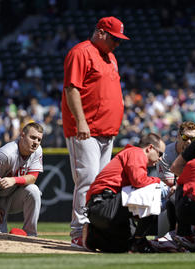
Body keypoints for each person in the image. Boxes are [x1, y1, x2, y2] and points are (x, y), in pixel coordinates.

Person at [61, 16, 129, 247]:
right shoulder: (81, 52)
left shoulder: (111, 57)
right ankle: (79, 231)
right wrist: (81, 121)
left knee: (101, 186)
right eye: (114, 39)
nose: (117, 44)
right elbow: (72, 89)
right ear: (100, 32)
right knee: (88, 180)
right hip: (86, 130)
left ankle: (95, 231)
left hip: (106, 131)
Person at [85, 133, 165, 253]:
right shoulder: (136, 152)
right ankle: (139, 241)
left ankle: (93, 236)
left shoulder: (134, 154)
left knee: (125, 246)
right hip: (103, 204)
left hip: (104, 210)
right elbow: (139, 181)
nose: (160, 158)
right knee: (152, 190)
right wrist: (160, 182)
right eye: (160, 154)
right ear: (150, 148)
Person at [0, 122, 43, 236]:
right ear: (22, 135)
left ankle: (31, 233)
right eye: (32, 137)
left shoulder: (37, 151)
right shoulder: (6, 154)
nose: (36, 142)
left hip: (13, 193)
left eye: (39, 139)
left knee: (34, 190)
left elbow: (33, 177)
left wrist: (14, 180)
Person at [153, 121, 195, 234]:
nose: (188, 141)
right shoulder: (166, 153)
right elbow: (169, 183)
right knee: (166, 198)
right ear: (178, 136)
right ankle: (165, 236)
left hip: (191, 189)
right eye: (185, 137)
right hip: (169, 191)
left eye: (192, 139)